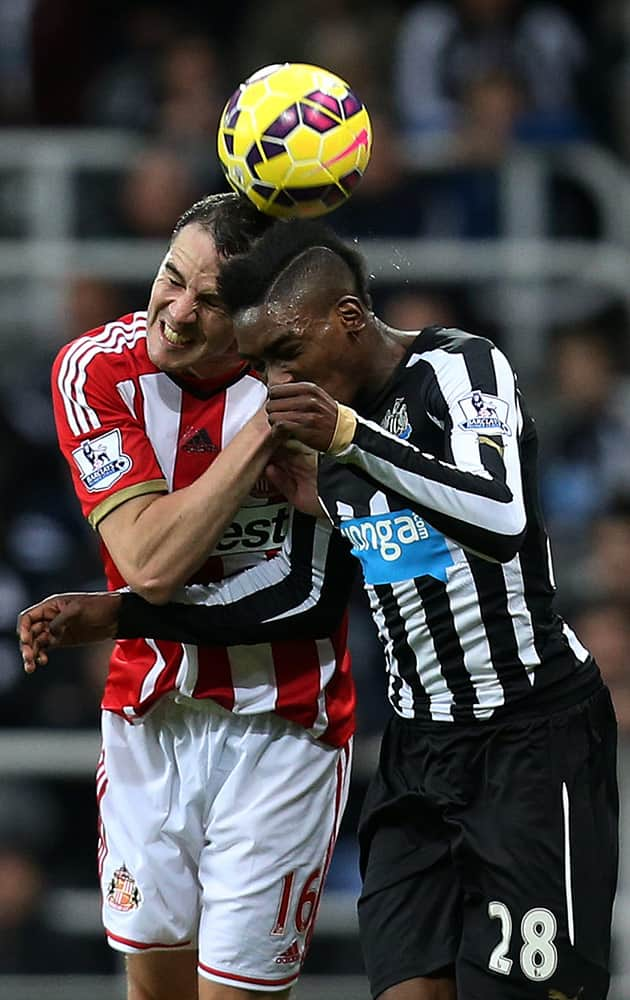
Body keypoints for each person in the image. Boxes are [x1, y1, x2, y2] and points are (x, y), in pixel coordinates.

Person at [21, 217, 619, 1000]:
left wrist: (350, 439)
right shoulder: (322, 441)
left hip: (531, 736)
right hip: (418, 751)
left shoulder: (459, 368)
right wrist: (124, 617)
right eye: (262, 364)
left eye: (286, 357)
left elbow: (501, 519)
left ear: (345, 320)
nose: (275, 384)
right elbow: (305, 596)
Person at [24, 196, 357, 1000]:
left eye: (208, 302)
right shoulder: (95, 370)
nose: (174, 313)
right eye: (170, 279)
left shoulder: (309, 375)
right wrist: (261, 438)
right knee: (155, 992)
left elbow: (334, 576)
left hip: (284, 726)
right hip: (149, 717)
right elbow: (150, 561)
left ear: (249, 318)